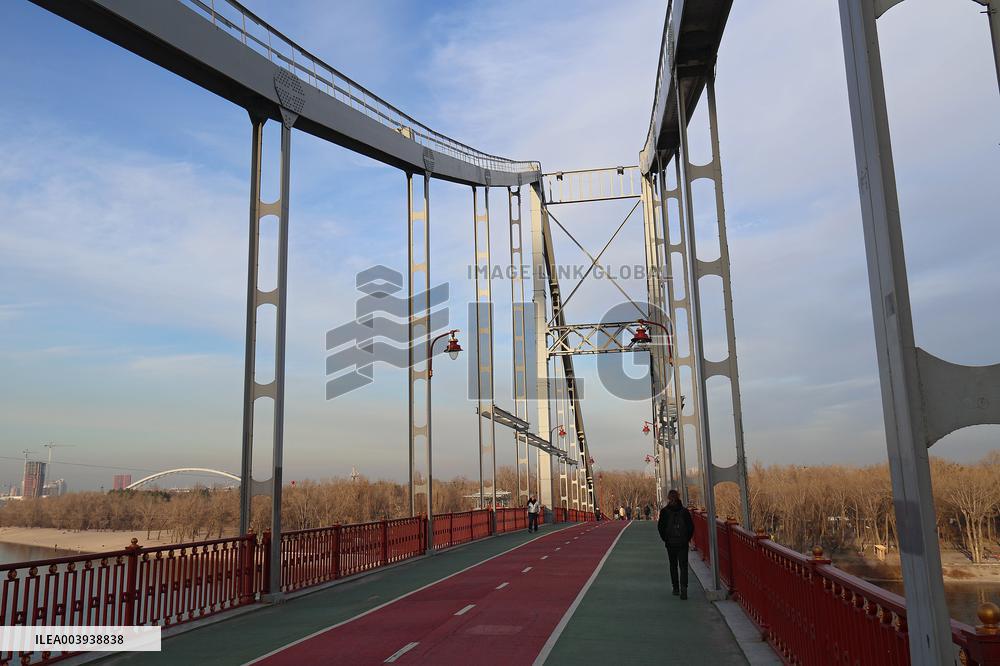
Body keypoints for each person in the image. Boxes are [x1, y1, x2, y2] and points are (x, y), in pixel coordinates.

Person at [657, 489, 694, 599]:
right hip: (682, 543)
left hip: (670, 543)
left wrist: (665, 539)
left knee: (673, 565)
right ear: (678, 497)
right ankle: (684, 588)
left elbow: (660, 527)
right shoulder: (685, 512)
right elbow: (691, 527)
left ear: (668, 498)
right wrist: (687, 538)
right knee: (683, 566)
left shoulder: (664, 512)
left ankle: (676, 588)